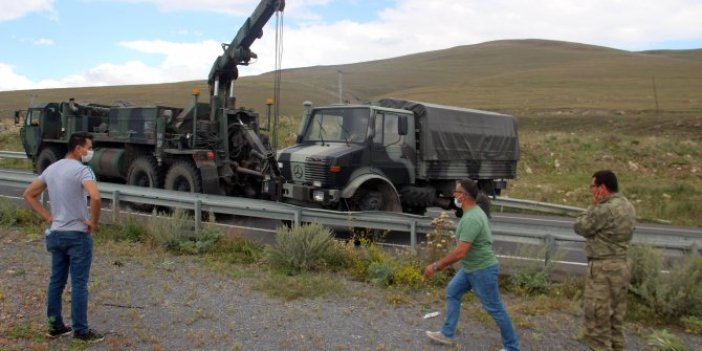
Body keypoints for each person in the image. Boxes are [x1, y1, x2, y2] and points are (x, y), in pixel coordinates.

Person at [23, 132, 104, 343]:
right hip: (77, 234)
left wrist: (48, 216)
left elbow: (29, 194)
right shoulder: (82, 170)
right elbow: (95, 196)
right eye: (88, 147)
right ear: (78, 148)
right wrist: (93, 222)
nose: (89, 152)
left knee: (56, 281)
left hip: (56, 233)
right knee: (79, 283)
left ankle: (55, 325)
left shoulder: (52, 168)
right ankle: (81, 330)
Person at [424, 179, 520, 351]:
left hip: (482, 269)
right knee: (453, 292)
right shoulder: (473, 213)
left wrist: (436, 266)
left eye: (456, 192)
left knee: (495, 308)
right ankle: (447, 334)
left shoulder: (472, 218)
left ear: (464, 196)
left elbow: (460, 252)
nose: (453, 195)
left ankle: (512, 347)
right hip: (470, 268)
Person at [574, 170, 636, 351]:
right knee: (615, 322)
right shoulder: (627, 205)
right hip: (622, 266)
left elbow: (581, 226)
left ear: (602, 187)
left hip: (603, 269)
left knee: (597, 322)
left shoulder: (604, 209)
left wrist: (593, 206)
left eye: (592, 186)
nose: (591, 190)